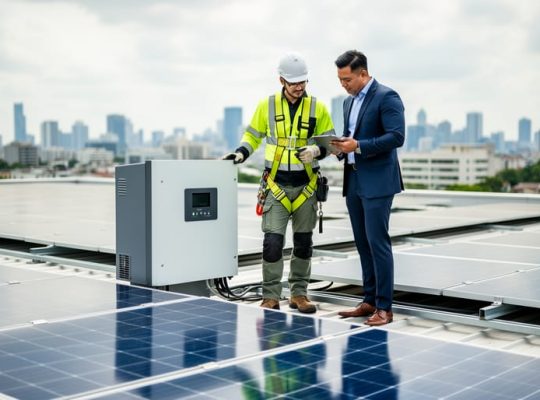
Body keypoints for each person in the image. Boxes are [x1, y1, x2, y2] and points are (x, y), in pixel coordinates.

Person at [223, 52, 335, 313]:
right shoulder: (268, 105)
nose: (299, 87)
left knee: (304, 242)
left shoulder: (317, 108)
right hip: (276, 185)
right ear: (281, 80)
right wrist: (241, 152)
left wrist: (317, 151)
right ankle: (270, 296)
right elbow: (253, 134)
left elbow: (329, 141)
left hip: (306, 185)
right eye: (294, 82)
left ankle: (299, 295)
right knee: (272, 243)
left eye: (303, 82)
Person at [330, 50, 405, 326]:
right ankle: (370, 300)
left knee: (378, 243)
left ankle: (385, 307)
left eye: (347, 79)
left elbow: (396, 137)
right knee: (362, 244)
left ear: (363, 73)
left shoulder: (387, 97)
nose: (343, 85)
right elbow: (350, 139)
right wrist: (337, 149)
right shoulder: (348, 103)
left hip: (378, 183)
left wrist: (359, 146)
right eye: (340, 80)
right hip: (354, 179)